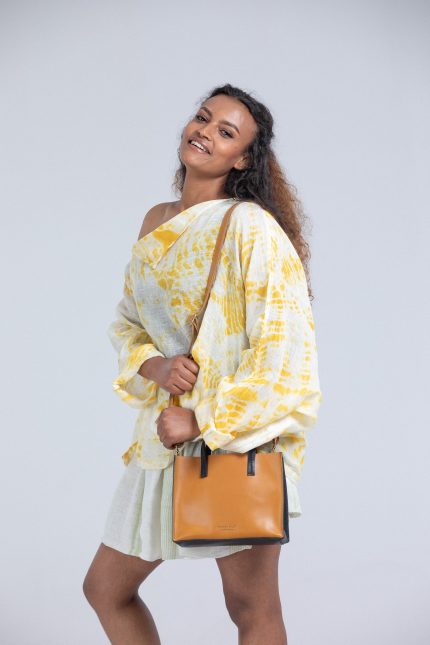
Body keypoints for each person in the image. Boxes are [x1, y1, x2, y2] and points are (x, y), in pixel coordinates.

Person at [83, 83, 322, 645]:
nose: (205, 132)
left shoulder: (252, 228)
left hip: (236, 441)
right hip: (161, 443)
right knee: (105, 589)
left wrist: (202, 420)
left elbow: (286, 359)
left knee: (250, 608)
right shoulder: (156, 219)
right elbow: (128, 321)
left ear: (242, 159)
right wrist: (154, 367)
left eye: (226, 131)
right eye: (203, 117)